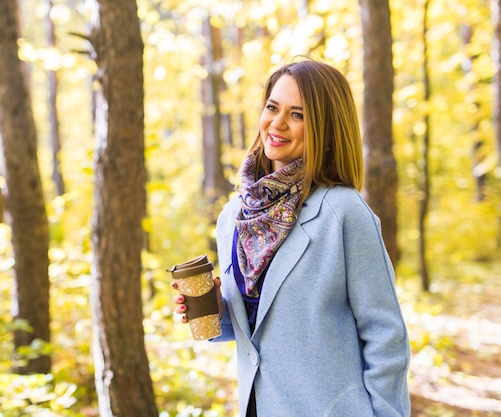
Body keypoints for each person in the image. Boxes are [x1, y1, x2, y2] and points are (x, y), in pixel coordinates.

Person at [172, 58, 410, 417]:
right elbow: (261, 328)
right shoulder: (234, 216)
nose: (278, 123)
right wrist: (217, 312)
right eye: (272, 107)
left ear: (325, 128)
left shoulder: (342, 212)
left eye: (298, 115)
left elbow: (386, 336)